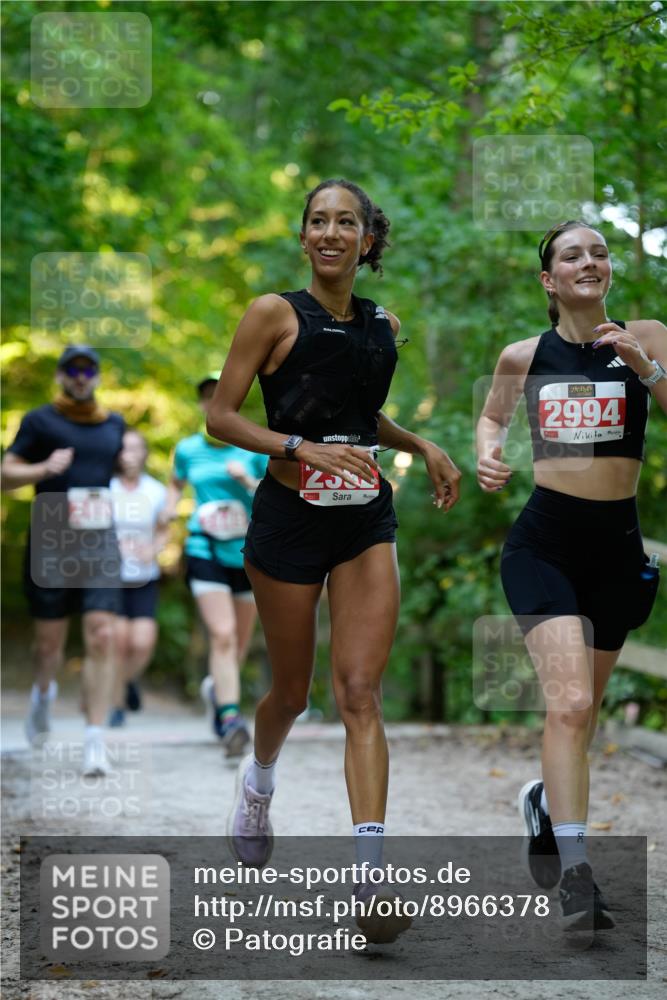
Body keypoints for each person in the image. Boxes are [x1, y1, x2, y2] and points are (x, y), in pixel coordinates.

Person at [205, 178, 461, 944]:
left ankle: (370, 878)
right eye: (316, 221)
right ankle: (258, 784)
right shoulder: (272, 313)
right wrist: (292, 445)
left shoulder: (383, 324)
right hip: (287, 522)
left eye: (344, 222)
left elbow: (357, 416)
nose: (328, 232)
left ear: (366, 240)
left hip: (361, 520)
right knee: (290, 694)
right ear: (303, 235)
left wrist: (417, 442)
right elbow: (219, 414)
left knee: (359, 691)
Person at [476, 220, 666, 930]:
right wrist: (487, 455)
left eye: (597, 252)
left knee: (580, 719)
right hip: (543, 546)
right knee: (570, 708)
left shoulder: (647, 334)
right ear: (547, 281)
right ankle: (577, 879)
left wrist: (643, 367)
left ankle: (543, 806)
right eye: (570, 255)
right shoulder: (522, 355)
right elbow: (491, 421)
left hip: (617, 551)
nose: (588, 261)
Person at [1, 345, 125, 775]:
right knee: (49, 645)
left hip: (100, 542)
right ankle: (43, 693)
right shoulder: (40, 421)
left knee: (102, 635)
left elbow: (118, 475)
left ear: (96, 375)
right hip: (52, 539)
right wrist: (43, 469)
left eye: (87, 368)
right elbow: (5, 474)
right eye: (72, 369)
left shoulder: (114, 424)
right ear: (60, 375)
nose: (80, 375)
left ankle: (95, 740)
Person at [162, 373, 267, 756]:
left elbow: (274, 499)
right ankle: (230, 719)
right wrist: (169, 508)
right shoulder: (188, 449)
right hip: (203, 546)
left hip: (246, 552)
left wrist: (247, 483)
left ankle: (217, 690)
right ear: (203, 405)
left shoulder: (254, 447)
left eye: (220, 394)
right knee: (221, 635)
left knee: (237, 644)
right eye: (206, 397)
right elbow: (176, 483)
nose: (213, 401)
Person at [108, 429, 168, 727]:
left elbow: (163, 530)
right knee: (118, 642)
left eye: (135, 448)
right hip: (113, 577)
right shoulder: (105, 488)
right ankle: (116, 704)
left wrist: (153, 549)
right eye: (124, 449)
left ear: (144, 453)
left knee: (142, 643)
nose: (129, 455)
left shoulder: (156, 491)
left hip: (145, 576)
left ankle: (127, 682)